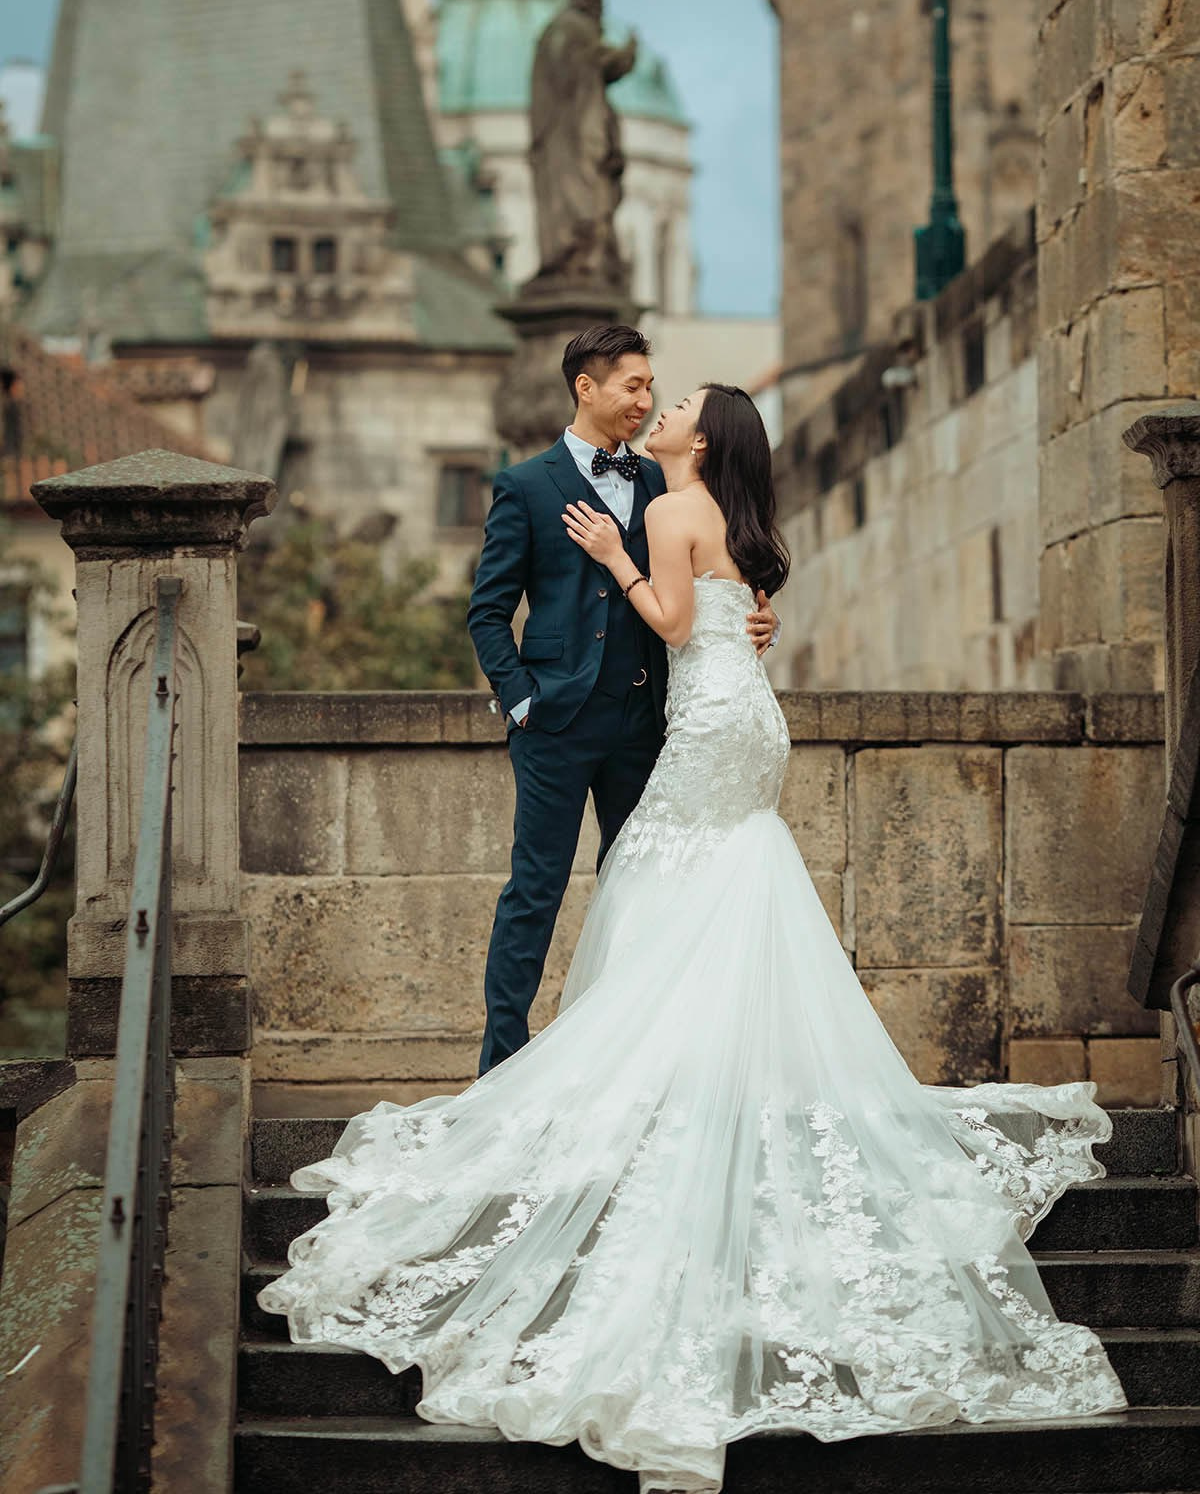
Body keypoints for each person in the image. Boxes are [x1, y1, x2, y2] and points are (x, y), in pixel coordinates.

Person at [259, 381, 1125, 1494]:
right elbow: (730, 610)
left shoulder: (671, 505)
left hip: (709, 719)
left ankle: (665, 1085)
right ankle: (714, 1080)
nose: (657, 408)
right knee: (717, 889)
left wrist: (615, 560)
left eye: (673, 404)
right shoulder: (738, 515)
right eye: (645, 392)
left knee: (662, 886)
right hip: (750, 720)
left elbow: (671, 620)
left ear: (700, 439)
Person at [466, 322, 777, 1075]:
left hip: (648, 722)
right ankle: (501, 1065)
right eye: (633, 386)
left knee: (638, 892)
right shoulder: (526, 485)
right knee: (533, 892)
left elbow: (709, 571)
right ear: (587, 387)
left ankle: (625, 1062)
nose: (645, 401)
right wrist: (520, 702)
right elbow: (486, 611)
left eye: (650, 388)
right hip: (556, 723)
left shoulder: (660, 482)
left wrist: (750, 619)